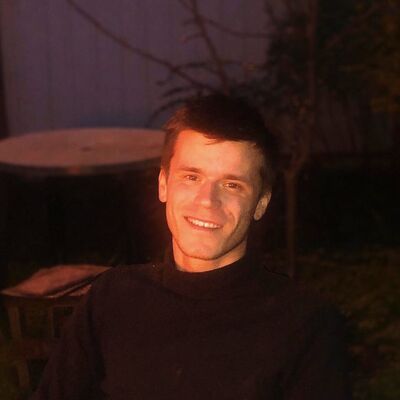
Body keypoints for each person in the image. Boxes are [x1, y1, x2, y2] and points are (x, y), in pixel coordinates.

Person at [32, 94, 351, 399]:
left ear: (260, 203)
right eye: (191, 177)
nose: (207, 200)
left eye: (232, 185)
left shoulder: (304, 324)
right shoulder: (111, 298)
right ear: (163, 184)